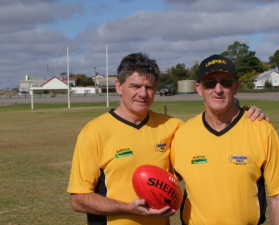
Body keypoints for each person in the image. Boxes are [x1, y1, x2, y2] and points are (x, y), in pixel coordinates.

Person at [67, 53, 268, 225]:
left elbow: (213, 127)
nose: (143, 94)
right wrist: (128, 208)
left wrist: (245, 112)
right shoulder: (94, 132)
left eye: (150, 87)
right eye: (135, 86)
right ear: (119, 86)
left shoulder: (173, 127)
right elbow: (78, 199)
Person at [171, 55, 279, 225]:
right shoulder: (182, 134)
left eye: (226, 82)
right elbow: (164, 184)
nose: (218, 89)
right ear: (199, 88)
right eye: (210, 83)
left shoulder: (262, 129)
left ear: (236, 87)